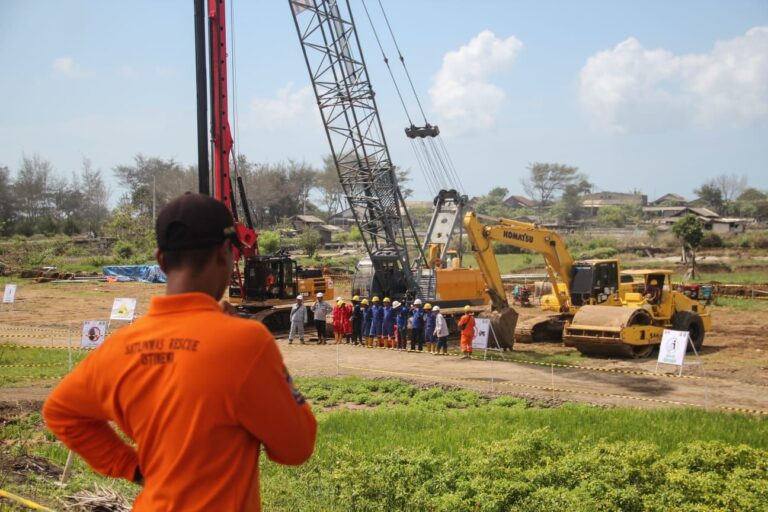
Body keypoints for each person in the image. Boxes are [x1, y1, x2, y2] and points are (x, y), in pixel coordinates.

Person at [42, 193, 316, 511]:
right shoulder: (245, 342)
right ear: (225, 254)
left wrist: (133, 467)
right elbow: (296, 448)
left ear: (160, 260)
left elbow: (60, 412)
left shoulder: (119, 347)